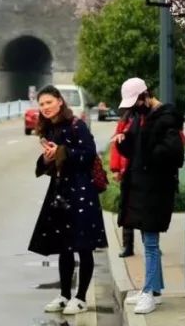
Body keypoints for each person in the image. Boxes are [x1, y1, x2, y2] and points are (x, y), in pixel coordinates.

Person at [28, 85, 108, 316]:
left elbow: (89, 153)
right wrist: (47, 157)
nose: (45, 108)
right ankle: (64, 295)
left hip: (82, 191)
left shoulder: (77, 125)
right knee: (64, 246)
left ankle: (81, 297)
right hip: (60, 191)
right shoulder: (50, 129)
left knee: (83, 246)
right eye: (41, 104)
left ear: (60, 102)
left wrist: (62, 152)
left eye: (49, 103)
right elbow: (48, 163)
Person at [112, 77, 185, 315]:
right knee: (148, 241)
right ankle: (154, 290)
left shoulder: (166, 119)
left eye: (136, 103)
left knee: (151, 244)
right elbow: (136, 148)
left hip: (156, 189)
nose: (134, 109)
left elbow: (173, 153)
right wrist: (124, 143)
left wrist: (147, 151)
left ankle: (147, 292)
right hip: (142, 188)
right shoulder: (140, 117)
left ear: (146, 95)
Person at [109, 107, 136, 257]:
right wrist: (117, 169)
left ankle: (151, 243)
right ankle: (128, 245)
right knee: (125, 208)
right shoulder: (125, 120)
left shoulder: (148, 117)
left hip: (141, 170)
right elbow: (116, 145)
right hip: (127, 170)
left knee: (145, 209)